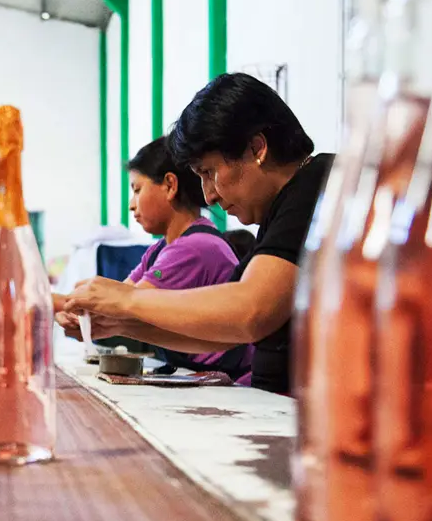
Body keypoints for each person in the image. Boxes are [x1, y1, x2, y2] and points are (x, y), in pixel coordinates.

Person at [64, 73, 335, 394]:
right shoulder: (281, 210)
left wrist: (128, 300)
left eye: (209, 173)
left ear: (256, 148)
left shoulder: (317, 185)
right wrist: (119, 323)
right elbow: (226, 330)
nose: (209, 197)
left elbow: (252, 312)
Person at [58, 136, 252, 381]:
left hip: (232, 383)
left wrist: (49, 303)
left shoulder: (194, 248)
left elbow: (124, 306)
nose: (131, 205)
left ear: (170, 185)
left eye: (137, 189)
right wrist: (78, 309)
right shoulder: (161, 248)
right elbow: (123, 295)